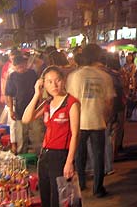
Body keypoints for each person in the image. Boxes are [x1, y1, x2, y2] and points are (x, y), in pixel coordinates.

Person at [22, 66, 80, 207]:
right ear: (43, 84)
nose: (54, 85)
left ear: (63, 80)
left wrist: (69, 162)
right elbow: (26, 118)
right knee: (46, 197)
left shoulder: (71, 103)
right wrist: (36, 94)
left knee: (60, 199)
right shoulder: (47, 103)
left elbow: (75, 135)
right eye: (49, 82)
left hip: (61, 156)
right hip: (45, 155)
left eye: (57, 80)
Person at [66, 44, 115, 198]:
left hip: (79, 120)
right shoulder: (105, 76)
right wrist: (106, 118)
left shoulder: (75, 76)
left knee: (80, 154)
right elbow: (109, 103)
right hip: (97, 120)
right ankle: (98, 188)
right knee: (98, 154)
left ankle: (81, 182)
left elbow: (70, 100)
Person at [5, 55, 39, 154]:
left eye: (22, 66)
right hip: (20, 110)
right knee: (21, 135)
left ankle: (38, 156)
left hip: (34, 109)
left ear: (25, 64)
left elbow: (39, 90)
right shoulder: (12, 76)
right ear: (14, 67)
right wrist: (11, 110)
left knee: (36, 135)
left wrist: (40, 103)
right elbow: (9, 94)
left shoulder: (32, 74)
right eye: (18, 67)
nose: (20, 69)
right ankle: (21, 156)